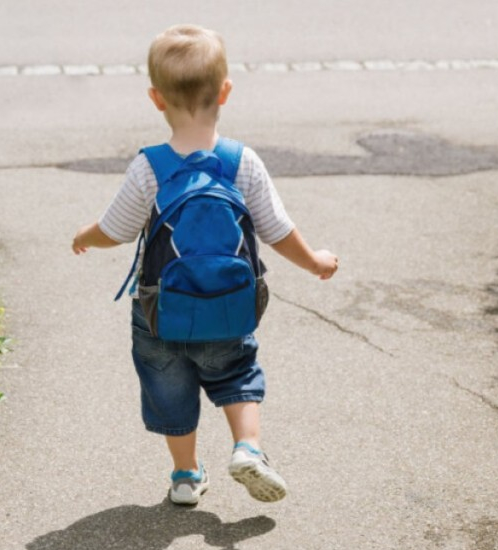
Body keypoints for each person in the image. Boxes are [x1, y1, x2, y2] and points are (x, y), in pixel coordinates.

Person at [71, 24, 338, 506]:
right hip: (228, 307)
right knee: (237, 374)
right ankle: (248, 448)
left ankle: (186, 476)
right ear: (226, 92)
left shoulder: (150, 166)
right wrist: (315, 260)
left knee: (169, 391)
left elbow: (117, 229)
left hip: (160, 314)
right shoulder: (242, 162)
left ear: (156, 99)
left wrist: (84, 236)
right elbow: (277, 230)